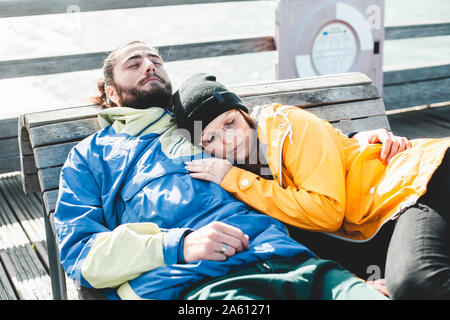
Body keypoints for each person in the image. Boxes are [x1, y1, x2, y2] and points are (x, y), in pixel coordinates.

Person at [54, 41, 390, 300]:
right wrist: (178, 245)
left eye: (156, 60)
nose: (149, 66)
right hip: (201, 283)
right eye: (135, 63)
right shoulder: (91, 156)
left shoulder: (197, 122)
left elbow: (272, 139)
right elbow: (80, 253)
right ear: (111, 93)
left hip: (294, 261)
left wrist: (355, 142)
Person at [176, 73, 450, 299]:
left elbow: (327, 211)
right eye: (211, 138)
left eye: (230, 123)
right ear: (204, 148)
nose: (228, 139)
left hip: (421, 181)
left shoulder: (284, 126)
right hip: (384, 218)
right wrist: (355, 281)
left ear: (243, 113)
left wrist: (235, 179)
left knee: (417, 284)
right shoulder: (242, 179)